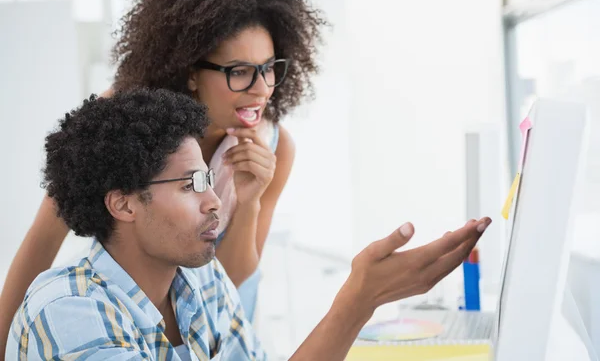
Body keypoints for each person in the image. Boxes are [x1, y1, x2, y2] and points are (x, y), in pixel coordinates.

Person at [6, 89, 491, 360]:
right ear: (125, 205)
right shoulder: (68, 310)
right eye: (192, 183)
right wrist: (357, 300)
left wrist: (363, 300)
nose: (215, 200)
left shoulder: (201, 277)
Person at [0, 0, 326, 348]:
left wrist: (250, 200)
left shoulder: (274, 147)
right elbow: (42, 241)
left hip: (220, 312)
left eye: (269, 69)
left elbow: (229, 282)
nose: (261, 89)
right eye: (239, 71)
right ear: (191, 72)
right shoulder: (124, 119)